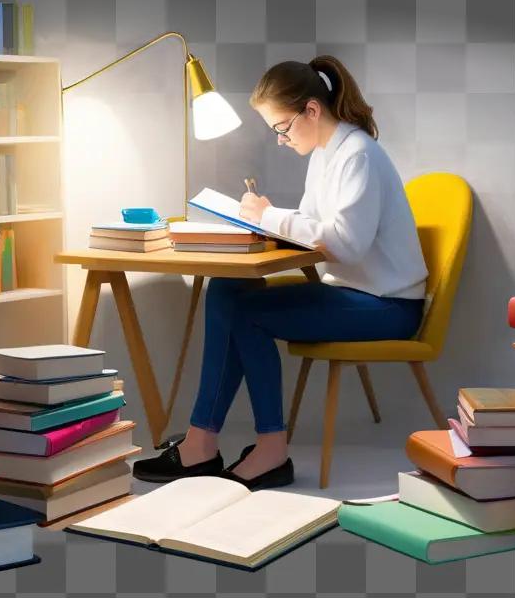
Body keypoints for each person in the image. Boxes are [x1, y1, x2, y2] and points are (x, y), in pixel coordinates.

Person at [132, 55, 428, 490]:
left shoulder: (358, 154)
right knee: (226, 289)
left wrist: (270, 218)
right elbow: (315, 227)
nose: (280, 140)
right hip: (354, 292)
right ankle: (201, 444)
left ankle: (271, 450)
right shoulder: (327, 154)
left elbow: (346, 244)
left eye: (281, 128)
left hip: (388, 306)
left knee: (248, 315)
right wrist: (261, 220)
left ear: (311, 110)